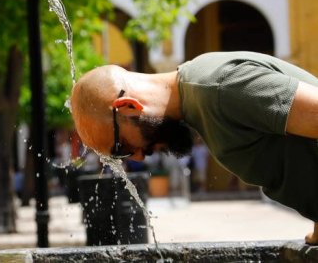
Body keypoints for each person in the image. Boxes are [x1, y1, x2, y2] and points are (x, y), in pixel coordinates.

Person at [70, 51, 318, 244]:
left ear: (129, 106)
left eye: (121, 147)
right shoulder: (202, 102)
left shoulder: (219, 88)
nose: (136, 156)